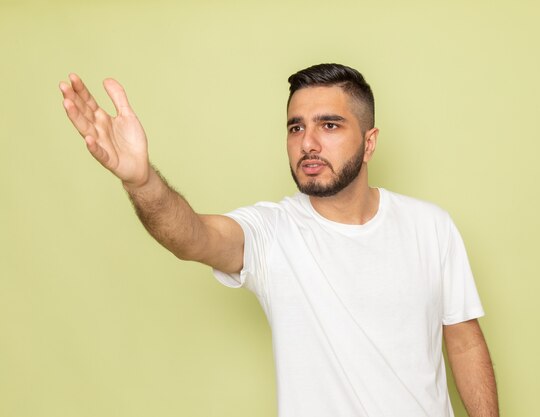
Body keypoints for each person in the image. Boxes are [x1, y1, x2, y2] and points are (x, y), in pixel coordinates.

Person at [60, 63, 499, 417]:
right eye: (295, 128)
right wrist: (141, 181)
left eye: (329, 125)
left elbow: (463, 340)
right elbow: (191, 237)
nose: (308, 143)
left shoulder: (431, 227)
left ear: (369, 143)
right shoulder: (272, 232)